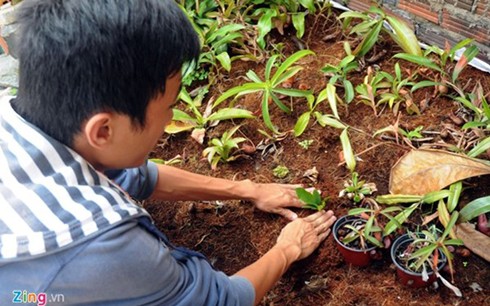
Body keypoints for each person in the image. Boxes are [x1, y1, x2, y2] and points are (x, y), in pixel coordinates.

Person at [0, 0, 336, 305]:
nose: (172, 119)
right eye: (169, 107)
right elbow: (219, 300)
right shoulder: (101, 247)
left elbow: (133, 176)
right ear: (103, 130)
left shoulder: (23, 119)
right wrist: (287, 248)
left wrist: (249, 189)